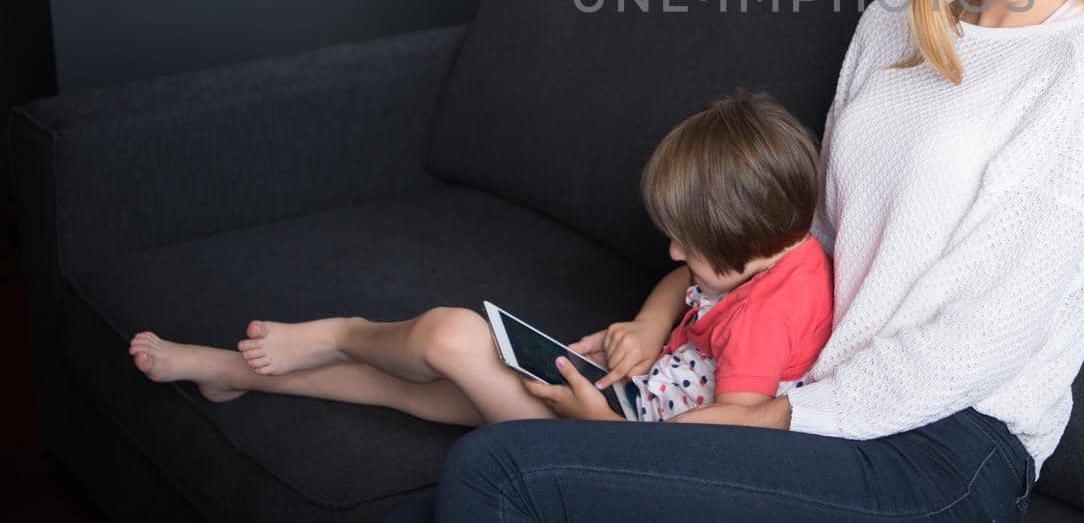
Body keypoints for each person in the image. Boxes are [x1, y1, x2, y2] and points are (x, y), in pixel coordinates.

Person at [431, 0, 1084, 521]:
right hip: (812, 388)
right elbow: (808, 237)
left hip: (948, 446)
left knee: (500, 470)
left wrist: (776, 416)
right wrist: (678, 341)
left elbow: (987, 339)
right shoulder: (891, 26)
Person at [127, 91, 833, 430]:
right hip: (612, 398)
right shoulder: (774, 250)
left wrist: (605, 431)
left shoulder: (771, 314)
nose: (676, 254)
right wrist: (650, 327)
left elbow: (745, 423)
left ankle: (341, 330)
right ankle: (227, 372)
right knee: (409, 389)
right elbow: (687, 279)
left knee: (447, 335)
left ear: (752, 243)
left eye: (694, 245)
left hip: (610, 438)